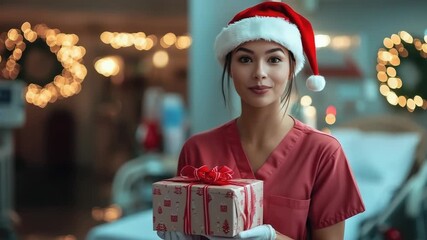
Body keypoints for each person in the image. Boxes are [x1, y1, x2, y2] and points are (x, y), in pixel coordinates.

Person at [158, 1, 365, 239]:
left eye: (274, 59)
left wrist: (273, 238)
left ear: (291, 68)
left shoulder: (324, 153)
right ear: (230, 68)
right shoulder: (197, 150)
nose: (259, 72)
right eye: (245, 60)